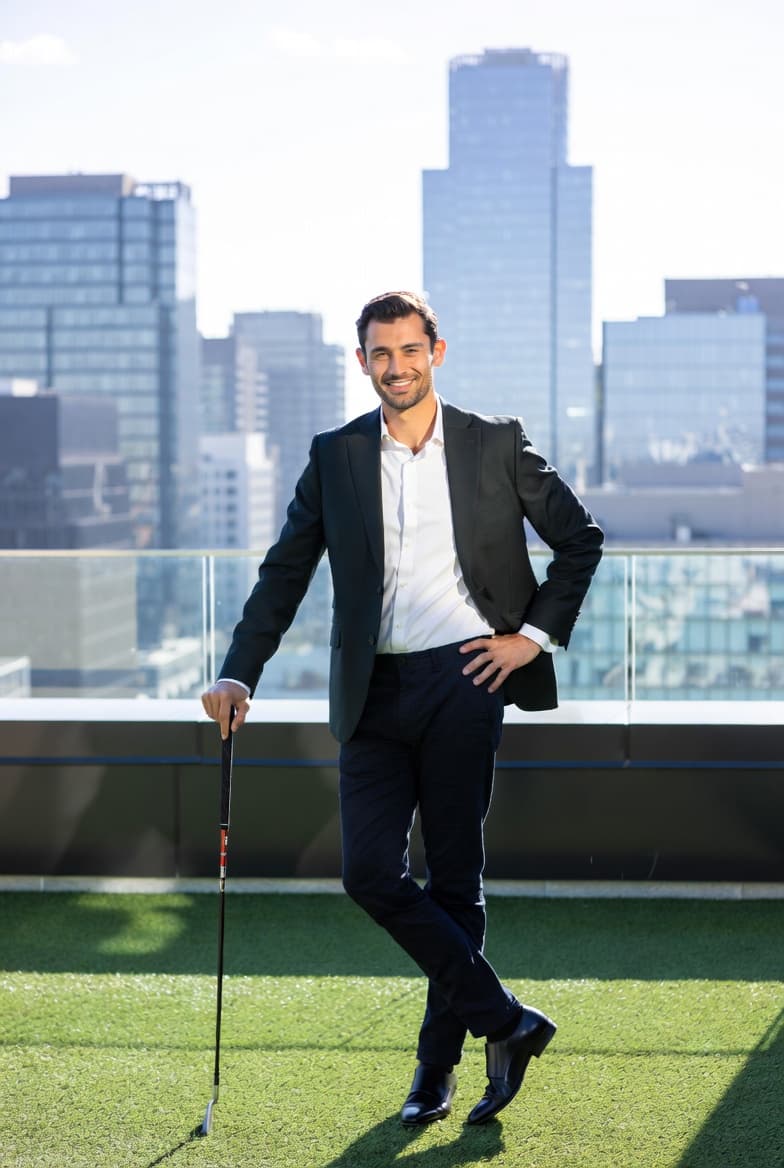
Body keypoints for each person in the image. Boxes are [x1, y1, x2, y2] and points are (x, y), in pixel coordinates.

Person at [201, 291, 603, 1126]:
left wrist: (531, 639)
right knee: (370, 873)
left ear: (436, 352)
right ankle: (506, 1021)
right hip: (373, 691)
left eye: (410, 350)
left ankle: (435, 1071)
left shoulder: (495, 442)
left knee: (454, 879)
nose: (397, 366)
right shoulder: (336, 455)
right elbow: (285, 573)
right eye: (381, 354)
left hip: (467, 679)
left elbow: (579, 539)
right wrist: (240, 673)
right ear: (362, 363)